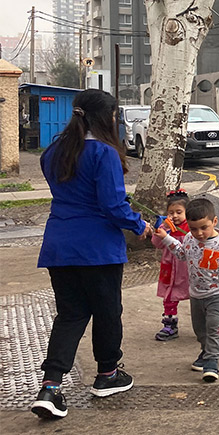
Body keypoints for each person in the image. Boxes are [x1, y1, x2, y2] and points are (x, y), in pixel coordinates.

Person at [30, 89, 152, 420]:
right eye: (113, 116)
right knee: (107, 311)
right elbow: (113, 206)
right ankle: (108, 374)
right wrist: (140, 225)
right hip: (98, 249)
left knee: (70, 315)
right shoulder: (104, 153)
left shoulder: (53, 151)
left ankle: (51, 387)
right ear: (105, 117)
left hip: (60, 246)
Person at [154, 198, 219, 382]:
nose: (199, 233)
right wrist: (166, 238)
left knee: (214, 326)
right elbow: (182, 253)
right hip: (197, 294)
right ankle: (206, 352)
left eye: (204, 227)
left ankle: (212, 362)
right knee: (200, 329)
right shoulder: (190, 239)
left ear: (214, 221)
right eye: (194, 228)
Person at [151, 190, 191, 341]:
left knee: (199, 296)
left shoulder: (192, 228)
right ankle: (170, 325)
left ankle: (212, 322)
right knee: (169, 296)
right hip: (170, 268)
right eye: (171, 212)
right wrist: (161, 231)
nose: (174, 216)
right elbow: (156, 244)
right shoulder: (166, 226)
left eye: (179, 212)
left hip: (187, 269)